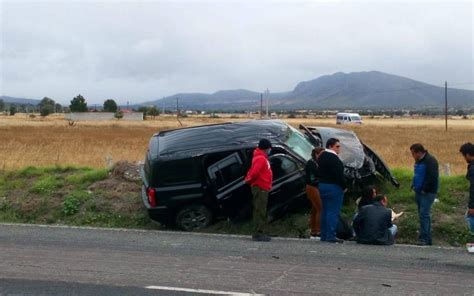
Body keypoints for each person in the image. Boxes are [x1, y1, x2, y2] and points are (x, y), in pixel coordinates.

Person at [318, 138, 346, 243]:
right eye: (337, 146)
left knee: (324, 211)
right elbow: (339, 175)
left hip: (322, 185)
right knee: (332, 212)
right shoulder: (334, 158)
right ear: (330, 146)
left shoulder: (322, 156)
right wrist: (344, 186)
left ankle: (324, 235)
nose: (339, 149)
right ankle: (330, 235)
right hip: (333, 186)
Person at [410, 143, 439, 246]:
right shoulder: (419, 160)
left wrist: (425, 189)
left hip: (427, 193)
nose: (412, 156)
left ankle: (425, 238)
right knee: (422, 215)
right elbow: (417, 174)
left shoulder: (430, 161)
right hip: (419, 191)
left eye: (413, 153)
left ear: (419, 152)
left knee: (424, 214)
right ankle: (425, 237)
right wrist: (413, 185)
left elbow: (432, 177)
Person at [245, 139, 273, 242]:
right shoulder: (260, 158)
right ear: (266, 148)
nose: (270, 150)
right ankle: (258, 233)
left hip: (262, 186)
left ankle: (260, 231)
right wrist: (249, 180)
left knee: (261, 210)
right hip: (260, 187)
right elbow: (254, 172)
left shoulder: (260, 157)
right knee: (260, 210)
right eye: (269, 148)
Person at [305, 147, 325, 239]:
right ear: (316, 154)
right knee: (320, 208)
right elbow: (316, 175)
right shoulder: (311, 163)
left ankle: (313, 230)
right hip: (312, 186)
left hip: (315, 186)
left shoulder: (316, 163)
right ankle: (318, 231)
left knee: (315, 209)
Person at [459, 142, 474, 234]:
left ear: (468, 155)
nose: (464, 158)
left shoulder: (473, 168)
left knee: (469, 218)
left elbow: (473, 188)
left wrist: (472, 206)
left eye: (464, 156)